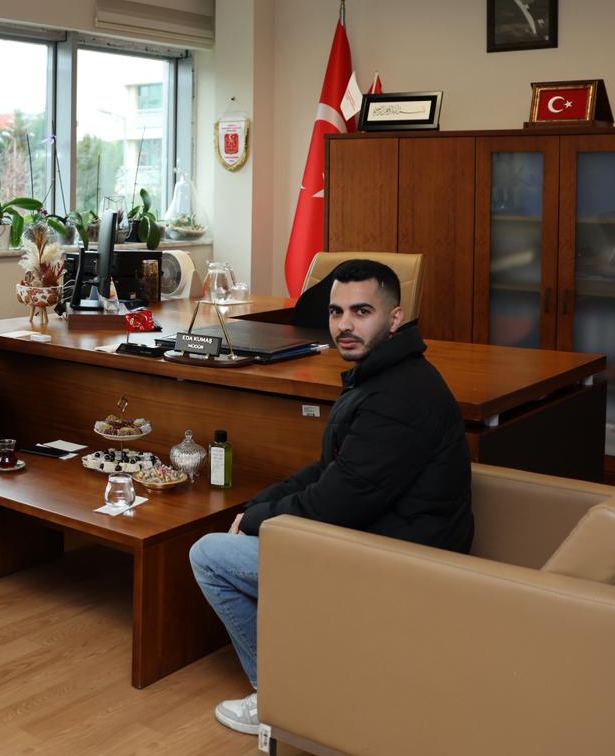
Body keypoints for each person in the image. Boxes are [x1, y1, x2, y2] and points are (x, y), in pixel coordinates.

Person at [189, 258, 473, 737]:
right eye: (336, 312)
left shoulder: (397, 397)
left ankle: (280, 698)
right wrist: (257, 506)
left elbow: (335, 505)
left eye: (361, 312)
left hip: (402, 562)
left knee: (209, 556)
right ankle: (310, 676)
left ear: (394, 318)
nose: (345, 325)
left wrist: (257, 521)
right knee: (247, 530)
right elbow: (333, 471)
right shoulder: (385, 373)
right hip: (386, 537)